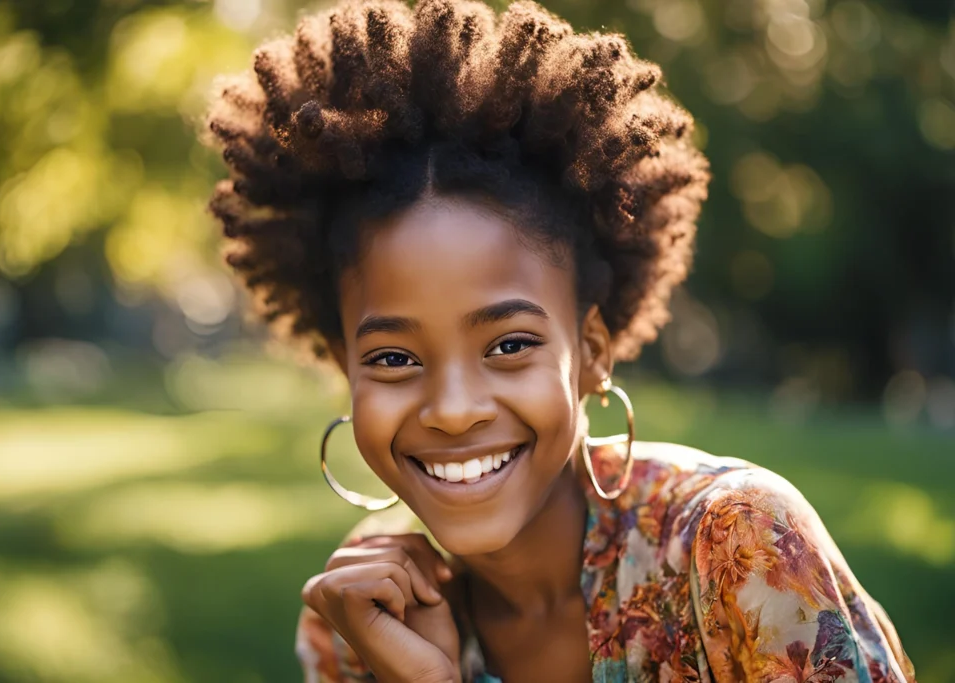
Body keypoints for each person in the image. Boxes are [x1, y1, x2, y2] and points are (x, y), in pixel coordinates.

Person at [205, 0, 916, 680]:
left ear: (593, 350)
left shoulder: (737, 543)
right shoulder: (359, 613)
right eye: (394, 358)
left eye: (510, 345)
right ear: (345, 368)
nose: (454, 409)